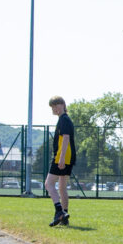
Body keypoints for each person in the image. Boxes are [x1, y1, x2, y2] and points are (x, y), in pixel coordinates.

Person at [46, 96, 76, 227]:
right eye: (53, 107)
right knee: (62, 187)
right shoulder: (64, 120)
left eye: (57, 106)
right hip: (68, 157)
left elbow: (66, 138)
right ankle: (64, 217)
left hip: (62, 157)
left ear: (63, 105)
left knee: (48, 184)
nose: (55, 109)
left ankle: (59, 211)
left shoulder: (64, 120)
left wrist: (61, 158)